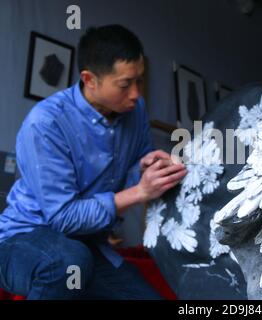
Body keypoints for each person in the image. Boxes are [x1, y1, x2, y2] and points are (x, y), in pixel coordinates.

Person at [0, 25, 187, 299]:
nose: (136, 93)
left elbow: (134, 168)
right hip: (26, 238)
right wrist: (140, 192)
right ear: (89, 79)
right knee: (67, 263)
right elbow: (63, 218)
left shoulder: (135, 110)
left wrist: (146, 168)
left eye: (139, 81)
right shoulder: (46, 123)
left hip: (88, 244)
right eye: (125, 84)